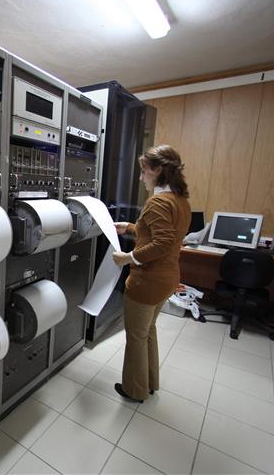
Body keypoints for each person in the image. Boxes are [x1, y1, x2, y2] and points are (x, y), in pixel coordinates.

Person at [111, 144, 191, 403]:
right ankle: (149, 383)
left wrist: (129, 257)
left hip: (147, 281)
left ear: (157, 171)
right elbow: (162, 234)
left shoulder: (157, 202)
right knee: (148, 331)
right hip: (167, 279)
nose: (140, 177)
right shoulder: (180, 200)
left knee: (136, 336)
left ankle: (134, 390)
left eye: (143, 171)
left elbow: (163, 242)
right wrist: (130, 227)